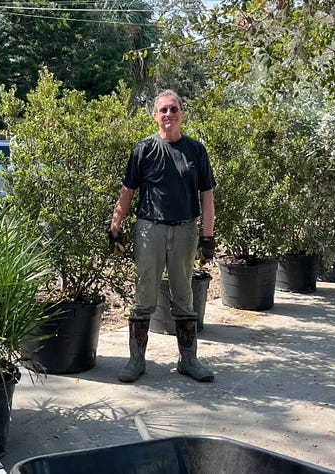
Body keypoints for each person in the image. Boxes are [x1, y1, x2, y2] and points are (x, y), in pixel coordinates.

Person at [109, 89, 216, 383]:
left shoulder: (196, 150)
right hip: (149, 229)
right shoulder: (143, 149)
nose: (169, 114)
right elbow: (128, 191)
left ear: (182, 114)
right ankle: (136, 361)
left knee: (184, 297)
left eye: (174, 109)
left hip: (185, 230)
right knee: (144, 297)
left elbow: (207, 195)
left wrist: (208, 237)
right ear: (155, 116)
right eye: (163, 110)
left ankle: (189, 360)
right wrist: (114, 226)